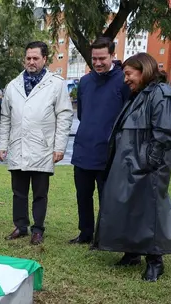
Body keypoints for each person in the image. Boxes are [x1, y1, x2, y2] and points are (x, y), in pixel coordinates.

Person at [93, 53, 171, 282]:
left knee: (150, 210)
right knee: (128, 206)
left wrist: (150, 163)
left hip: (145, 164)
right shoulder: (139, 95)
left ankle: (155, 261)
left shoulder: (161, 93)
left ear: (143, 70)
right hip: (129, 162)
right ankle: (131, 252)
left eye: (128, 74)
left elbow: (165, 132)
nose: (126, 79)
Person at [0, 41, 73, 245]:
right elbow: (5, 117)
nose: (31, 62)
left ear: (44, 59)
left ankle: (37, 229)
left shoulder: (56, 84)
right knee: (18, 192)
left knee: (40, 193)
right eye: (28, 58)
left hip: (43, 147)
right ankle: (21, 226)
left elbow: (64, 116)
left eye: (35, 58)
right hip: (18, 146)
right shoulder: (13, 86)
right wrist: (2, 145)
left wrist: (59, 147)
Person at [69, 37, 131, 245]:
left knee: (107, 199)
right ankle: (85, 233)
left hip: (109, 153)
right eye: (94, 59)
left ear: (112, 56)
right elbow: (82, 114)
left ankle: (104, 237)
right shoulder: (85, 82)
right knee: (83, 196)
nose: (97, 63)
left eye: (102, 58)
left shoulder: (123, 80)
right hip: (84, 149)